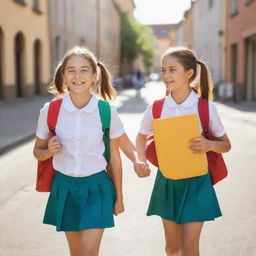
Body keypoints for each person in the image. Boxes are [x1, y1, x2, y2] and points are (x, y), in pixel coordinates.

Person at [33, 46, 145, 256]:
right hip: (65, 188)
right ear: (64, 76)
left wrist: (120, 197)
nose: (77, 76)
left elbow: (115, 156)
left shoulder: (106, 111)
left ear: (94, 76)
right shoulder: (50, 111)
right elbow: (37, 152)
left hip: (98, 188)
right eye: (71, 70)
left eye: (84, 70)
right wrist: (48, 150)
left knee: (88, 252)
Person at [136, 47, 231, 256]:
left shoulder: (205, 108)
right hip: (167, 180)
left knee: (189, 246)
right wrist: (140, 160)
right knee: (173, 248)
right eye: (163, 70)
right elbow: (141, 136)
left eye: (172, 69)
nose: (166, 75)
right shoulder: (157, 108)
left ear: (189, 73)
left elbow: (226, 144)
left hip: (198, 182)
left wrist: (209, 145)